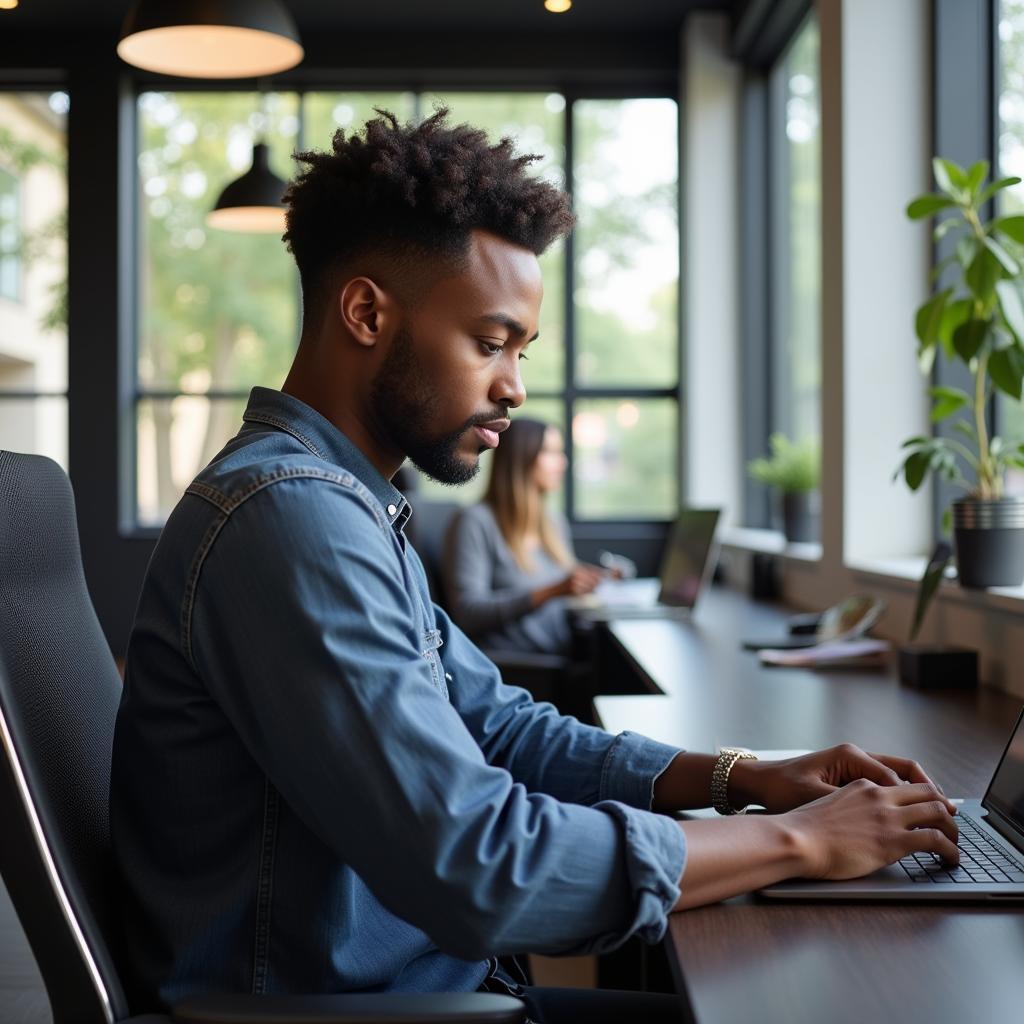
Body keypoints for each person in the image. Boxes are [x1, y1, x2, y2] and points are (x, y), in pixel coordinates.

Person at [110, 110, 960, 1024]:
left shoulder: (343, 505)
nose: (516, 385)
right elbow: (482, 868)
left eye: (522, 350)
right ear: (366, 313)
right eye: (490, 342)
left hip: (418, 987)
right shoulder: (290, 521)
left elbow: (500, 728)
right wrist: (797, 842)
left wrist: (743, 779)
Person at [442, 417, 602, 657]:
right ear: (521, 458)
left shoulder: (552, 522)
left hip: (563, 653)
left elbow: (564, 586)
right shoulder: (475, 522)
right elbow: (468, 613)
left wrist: (592, 581)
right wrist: (551, 591)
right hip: (518, 667)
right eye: (551, 452)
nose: (563, 462)